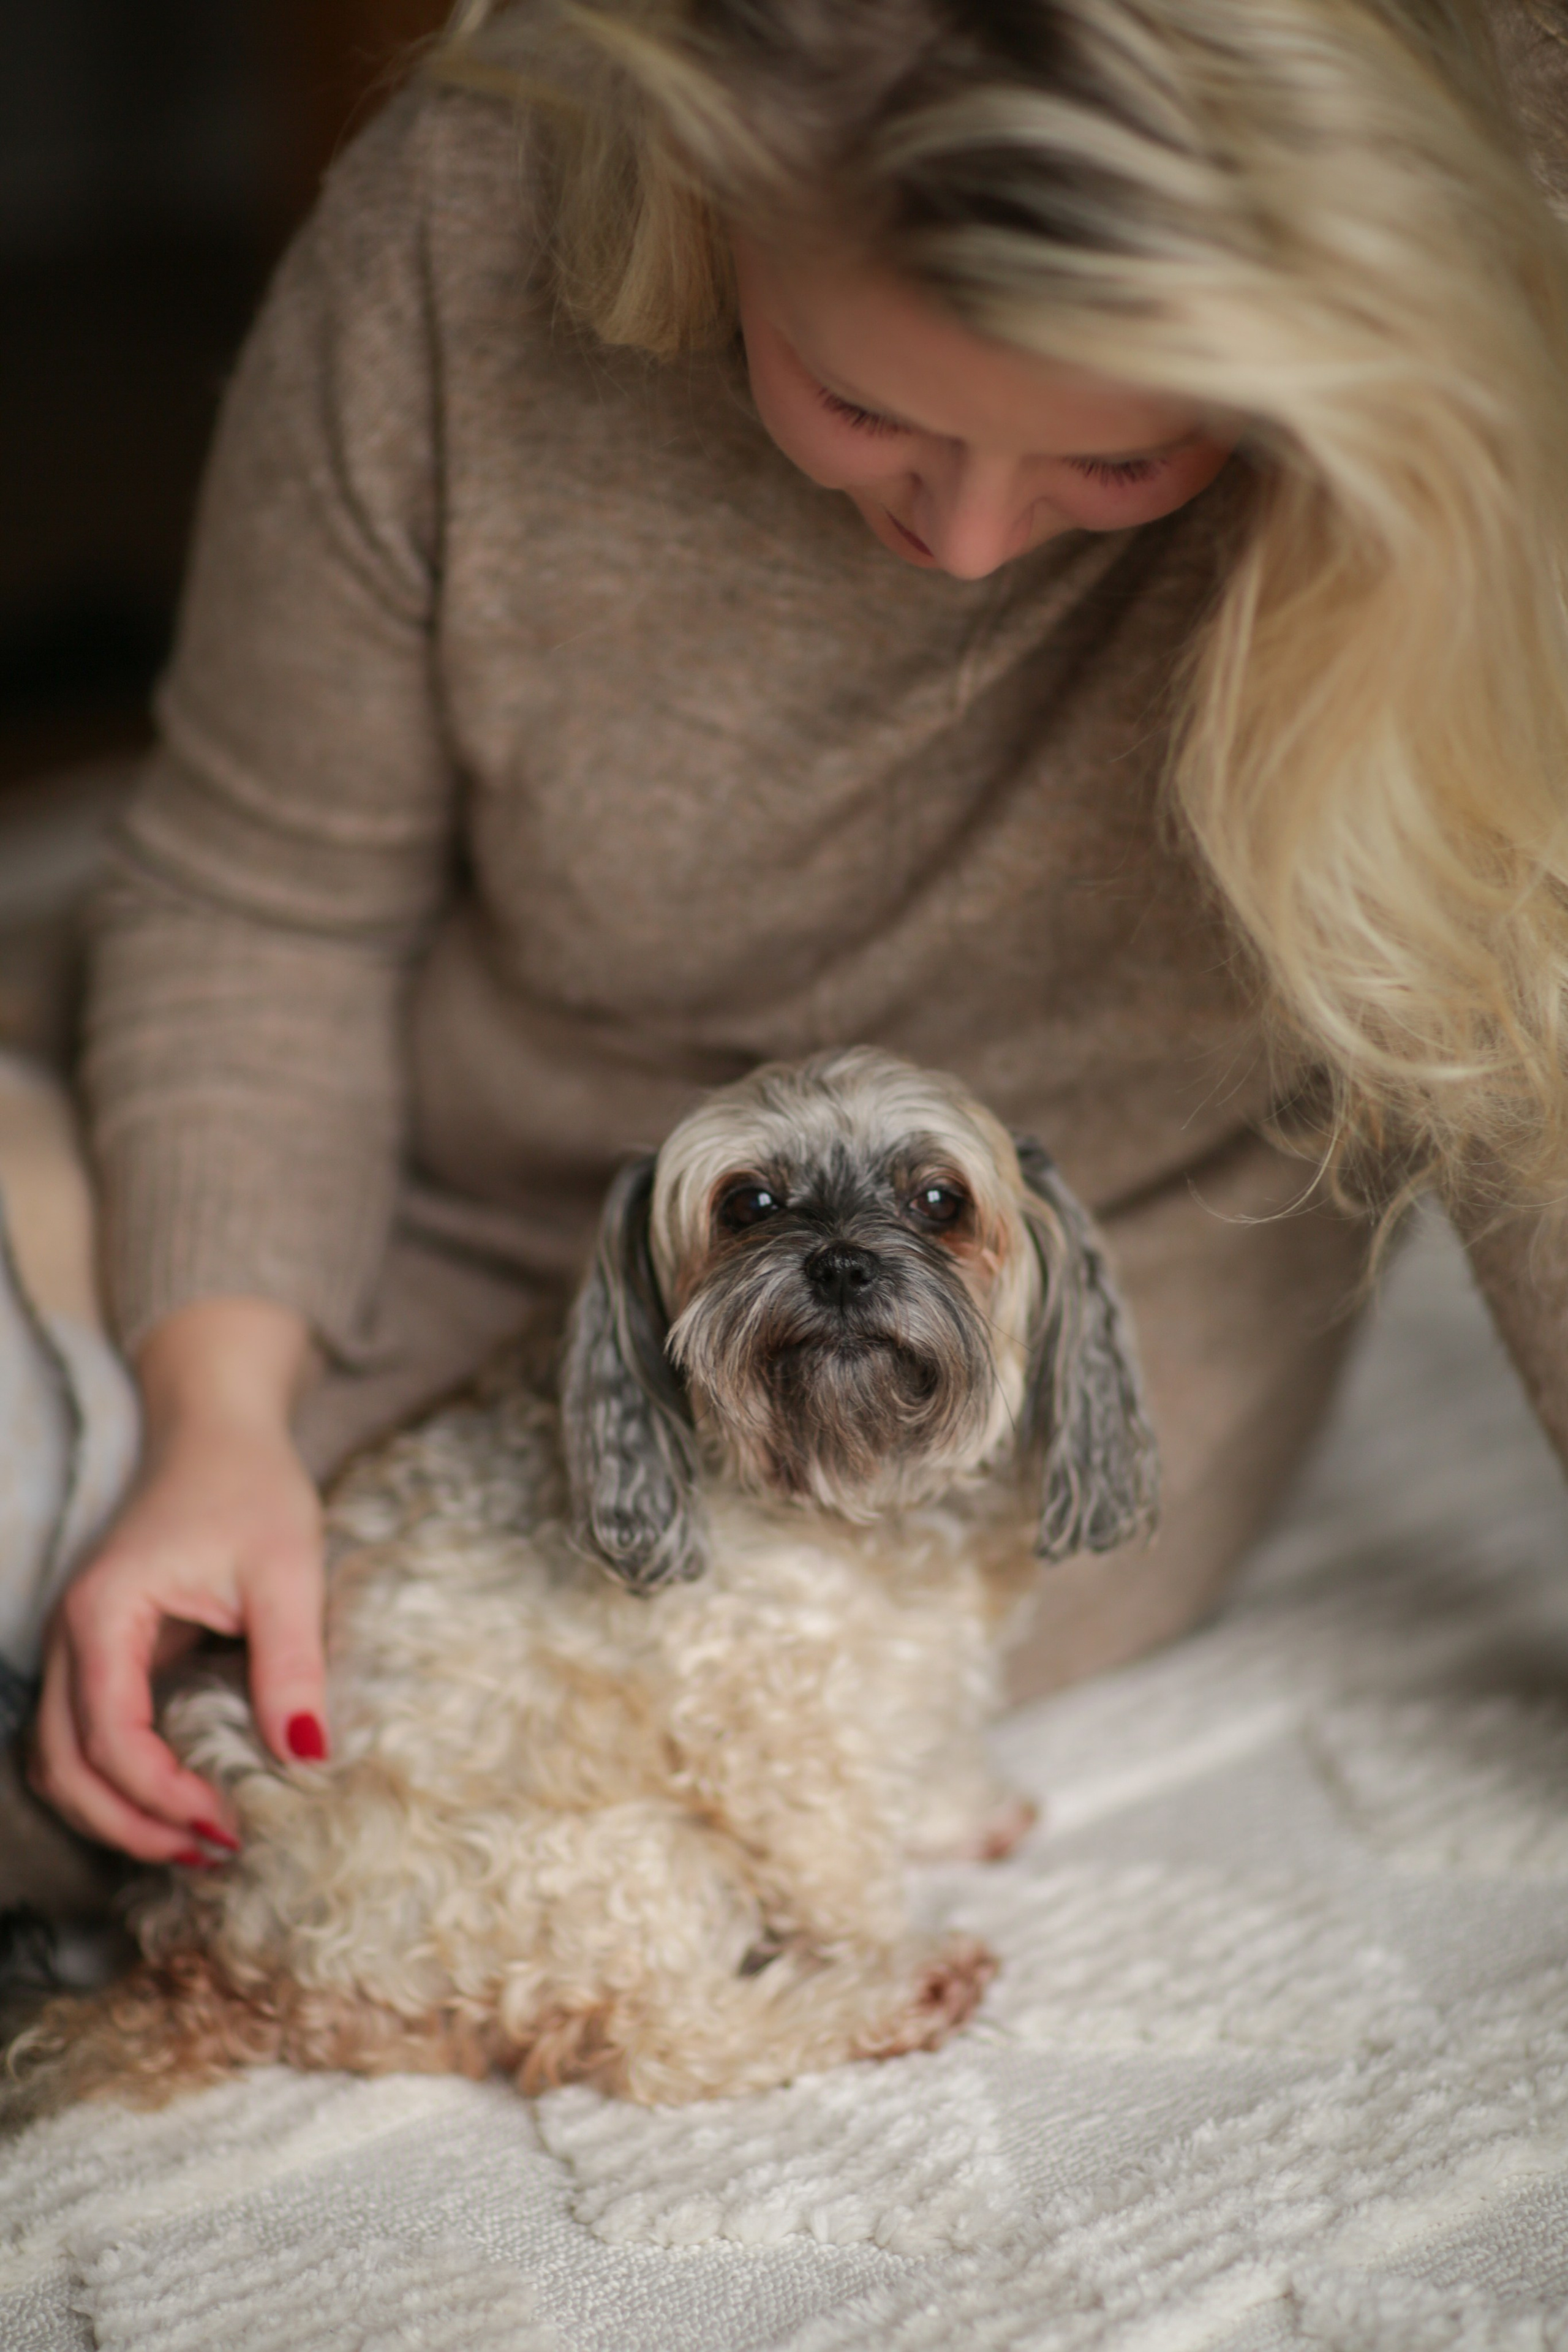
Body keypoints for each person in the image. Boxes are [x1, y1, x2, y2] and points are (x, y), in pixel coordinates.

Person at [20, 0, 1568, 1870]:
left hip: (975, 1365)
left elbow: (1531, 1023)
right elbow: (262, 894)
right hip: (397, 1185)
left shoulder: (1509, 215)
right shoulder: (470, 202)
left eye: (1128, 455)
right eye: (866, 403)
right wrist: (215, 1418)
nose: (973, 540)